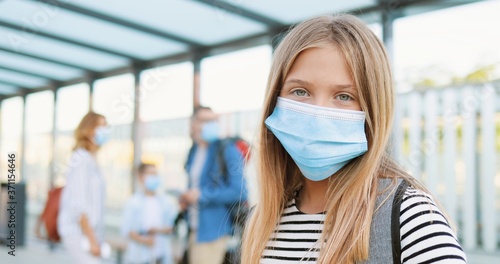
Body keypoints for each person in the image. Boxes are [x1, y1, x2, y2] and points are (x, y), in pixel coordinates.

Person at [241, 14, 467, 264]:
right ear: (274, 100)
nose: (319, 116)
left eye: (344, 96)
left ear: (373, 110)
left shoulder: (409, 215)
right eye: (300, 91)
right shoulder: (260, 222)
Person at [181, 106, 248, 264]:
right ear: (193, 124)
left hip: (214, 231)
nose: (212, 124)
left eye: (214, 120)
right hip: (194, 228)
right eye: (206, 120)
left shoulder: (227, 150)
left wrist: (202, 195)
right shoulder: (194, 151)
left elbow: (240, 191)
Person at [57, 112, 110, 264]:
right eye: (102, 126)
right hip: (79, 233)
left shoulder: (91, 160)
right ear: (88, 130)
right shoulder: (81, 158)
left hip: (89, 234)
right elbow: (78, 204)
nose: (106, 130)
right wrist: (92, 239)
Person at [121, 163, 178, 264]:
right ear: (141, 177)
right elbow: (127, 230)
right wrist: (145, 240)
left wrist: (157, 230)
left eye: (155, 174)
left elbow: (173, 227)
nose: (154, 177)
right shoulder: (133, 202)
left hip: (161, 256)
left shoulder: (165, 202)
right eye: (150, 174)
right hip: (140, 258)